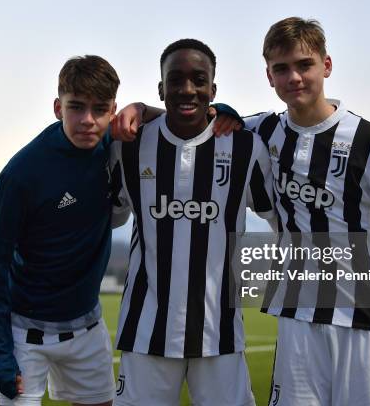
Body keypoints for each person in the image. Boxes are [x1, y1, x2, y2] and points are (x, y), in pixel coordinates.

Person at [242, 17, 370, 405]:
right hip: (296, 314)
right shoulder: (264, 131)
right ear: (269, 76)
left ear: (326, 66)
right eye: (282, 69)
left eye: (304, 65)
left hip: (366, 318)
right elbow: (198, 120)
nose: (294, 77)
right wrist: (142, 110)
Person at [109, 38, 276, 406]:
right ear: (161, 88)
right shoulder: (130, 146)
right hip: (145, 332)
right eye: (176, 79)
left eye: (199, 80)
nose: (187, 89)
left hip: (220, 335)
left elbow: (282, 218)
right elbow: (111, 215)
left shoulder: (246, 148)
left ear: (212, 90)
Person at [0, 55, 122, 406]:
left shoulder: (115, 148)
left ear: (113, 111)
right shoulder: (20, 175)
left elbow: (180, 120)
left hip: (88, 329)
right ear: (58, 107)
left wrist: (218, 110)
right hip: (24, 335)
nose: (87, 120)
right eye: (76, 107)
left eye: (99, 109)